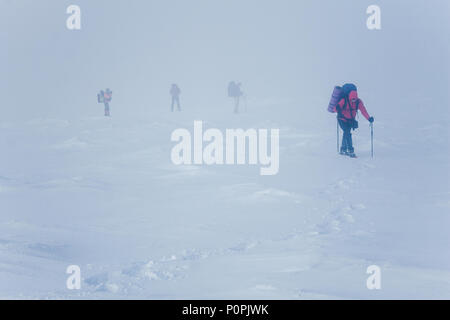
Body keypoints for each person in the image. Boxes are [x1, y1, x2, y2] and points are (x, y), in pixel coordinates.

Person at [331, 84, 374, 158]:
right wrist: (337, 108)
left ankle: (343, 149)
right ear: (350, 97)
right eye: (352, 99)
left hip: (350, 121)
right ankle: (351, 151)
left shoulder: (359, 102)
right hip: (342, 119)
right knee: (347, 133)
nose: (353, 101)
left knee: (346, 133)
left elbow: (363, 111)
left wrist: (369, 118)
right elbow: (334, 109)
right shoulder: (344, 100)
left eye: (355, 99)